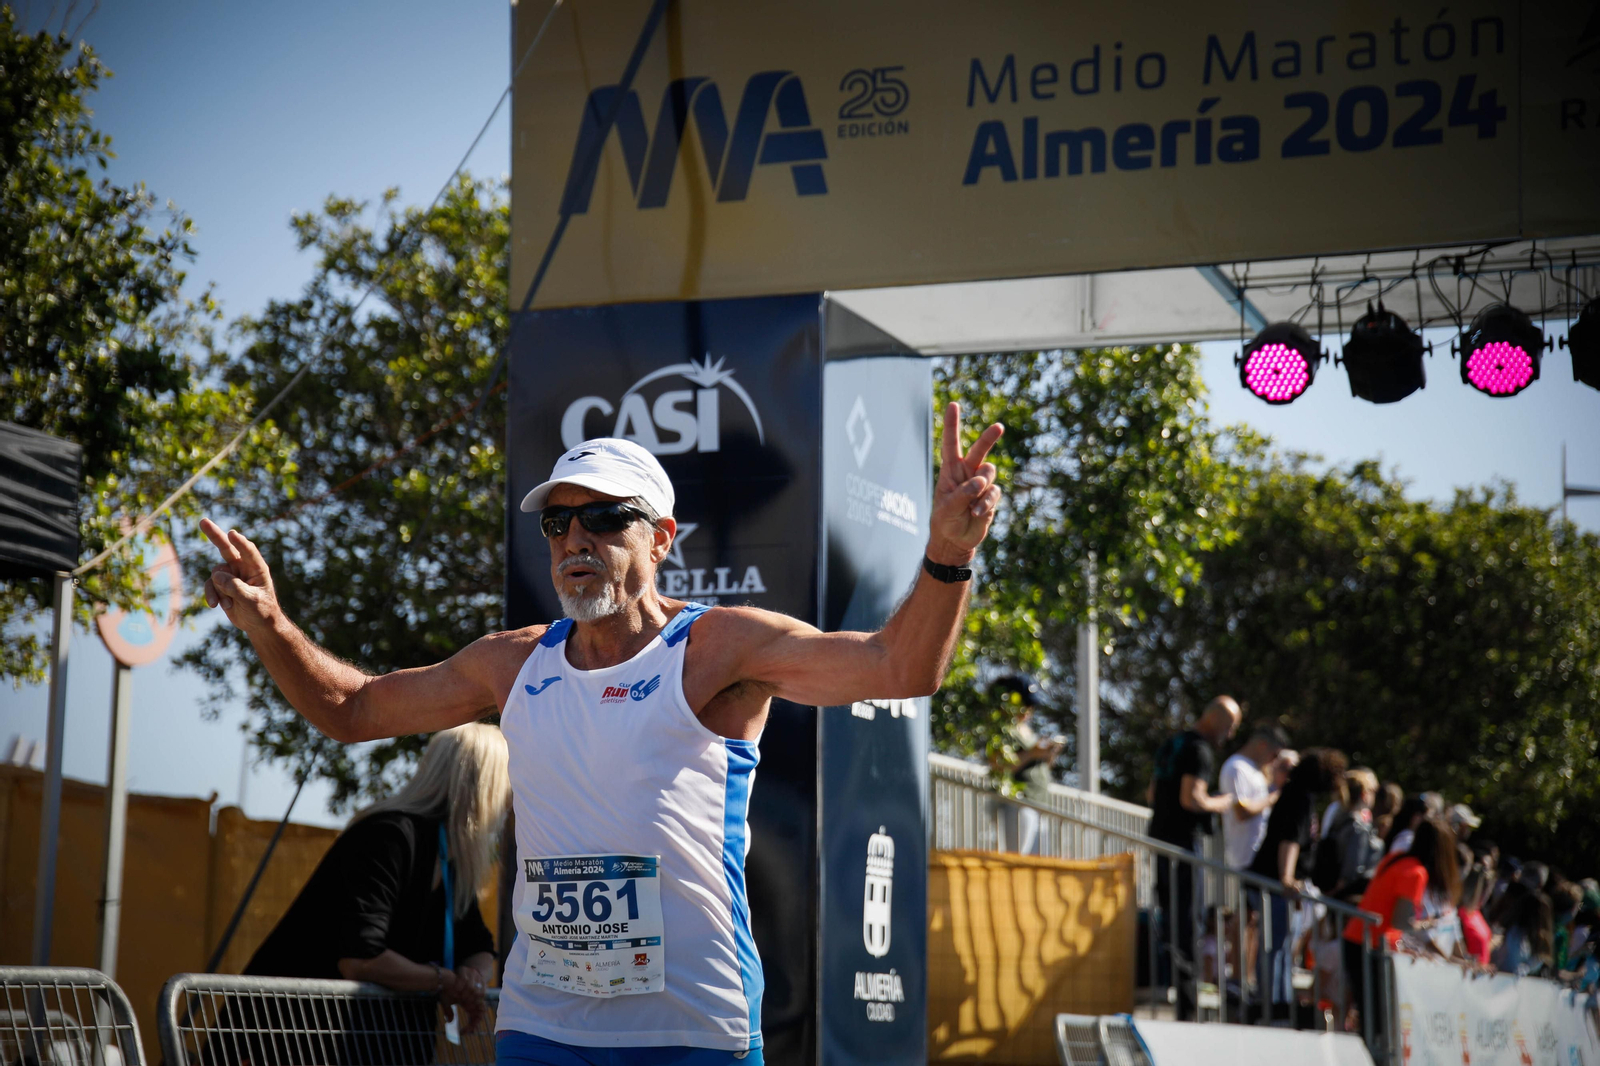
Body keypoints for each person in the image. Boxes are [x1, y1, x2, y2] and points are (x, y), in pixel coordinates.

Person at [200, 406, 1005, 1065]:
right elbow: (353, 710)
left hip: (692, 1027)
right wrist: (270, 624)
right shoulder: (512, 663)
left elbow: (899, 667)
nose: (575, 540)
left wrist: (947, 554)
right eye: (558, 522)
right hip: (545, 1028)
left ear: (661, 538)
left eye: (606, 518)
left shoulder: (716, 649)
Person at [238, 724, 507, 1064]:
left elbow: (479, 946)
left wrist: (472, 980)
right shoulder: (389, 837)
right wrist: (446, 981)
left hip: (361, 1042)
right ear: (489, 787)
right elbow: (361, 958)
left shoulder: (451, 858)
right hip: (287, 1039)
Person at [1145, 696, 1241, 1020]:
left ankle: (1178, 998)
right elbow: (1192, 798)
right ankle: (1188, 1008)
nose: (1229, 735)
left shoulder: (1172, 744)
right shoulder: (1199, 750)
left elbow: (1151, 794)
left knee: (1172, 920)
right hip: (1184, 845)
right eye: (1230, 726)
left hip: (1160, 840)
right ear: (1215, 719)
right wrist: (1222, 802)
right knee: (1189, 923)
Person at [1248, 747, 1347, 1015]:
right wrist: (1287, 878)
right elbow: (1289, 840)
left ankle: (1280, 1004)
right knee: (1275, 947)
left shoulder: (1300, 796)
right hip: (1274, 885)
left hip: (1282, 886)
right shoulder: (1298, 798)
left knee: (1282, 947)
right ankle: (1272, 1005)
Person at [1343, 816, 1461, 1037]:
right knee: (1378, 1023)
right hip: (1370, 948)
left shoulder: (1395, 859)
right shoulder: (1416, 873)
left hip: (1358, 940)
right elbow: (1400, 922)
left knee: (1372, 1019)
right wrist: (1426, 924)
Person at [989, 676, 1064, 856]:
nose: (1029, 710)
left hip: (1040, 804)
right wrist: (1032, 753)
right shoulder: (1003, 729)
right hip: (1018, 803)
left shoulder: (1027, 730)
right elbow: (998, 766)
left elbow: (1039, 767)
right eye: (1025, 704)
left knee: (1036, 865)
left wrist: (1048, 755)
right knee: (1016, 860)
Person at [1217, 725, 1288, 871]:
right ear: (1262, 745)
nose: (1274, 761)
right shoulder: (1237, 767)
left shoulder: (1254, 769)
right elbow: (1241, 811)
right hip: (1246, 858)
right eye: (1274, 755)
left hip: (1258, 855)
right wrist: (1273, 799)